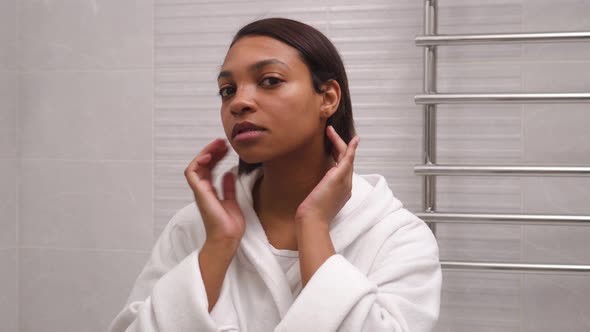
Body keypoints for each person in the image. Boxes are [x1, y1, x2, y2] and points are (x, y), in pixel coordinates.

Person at [109, 17, 441, 332]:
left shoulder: (397, 238)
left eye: (270, 81)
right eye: (227, 89)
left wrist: (313, 225)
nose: (239, 102)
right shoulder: (194, 228)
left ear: (327, 98)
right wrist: (219, 246)